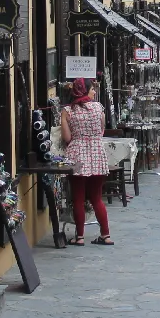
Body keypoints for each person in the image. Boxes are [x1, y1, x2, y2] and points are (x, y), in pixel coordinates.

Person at [62, 77, 113, 246]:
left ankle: (80, 237)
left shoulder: (68, 111)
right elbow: (101, 130)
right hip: (97, 153)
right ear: (85, 90)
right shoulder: (99, 108)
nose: (94, 92)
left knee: (78, 197)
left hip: (77, 155)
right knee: (96, 198)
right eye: (92, 89)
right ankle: (106, 235)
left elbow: (67, 137)